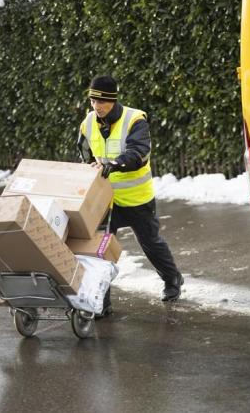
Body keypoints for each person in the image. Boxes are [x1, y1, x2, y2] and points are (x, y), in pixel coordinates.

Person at [77, 75, 183, 317]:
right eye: (93, 101)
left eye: (102, 101)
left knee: (150, 243)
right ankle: (100, 302)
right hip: (104, 201)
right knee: (100, 250)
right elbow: (85, 155)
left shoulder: (135, 119)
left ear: (113, 100)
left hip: (136, 199)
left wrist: (114, 164)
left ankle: (172, 280)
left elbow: (139, 153)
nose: (97, 106)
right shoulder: (87, 123)